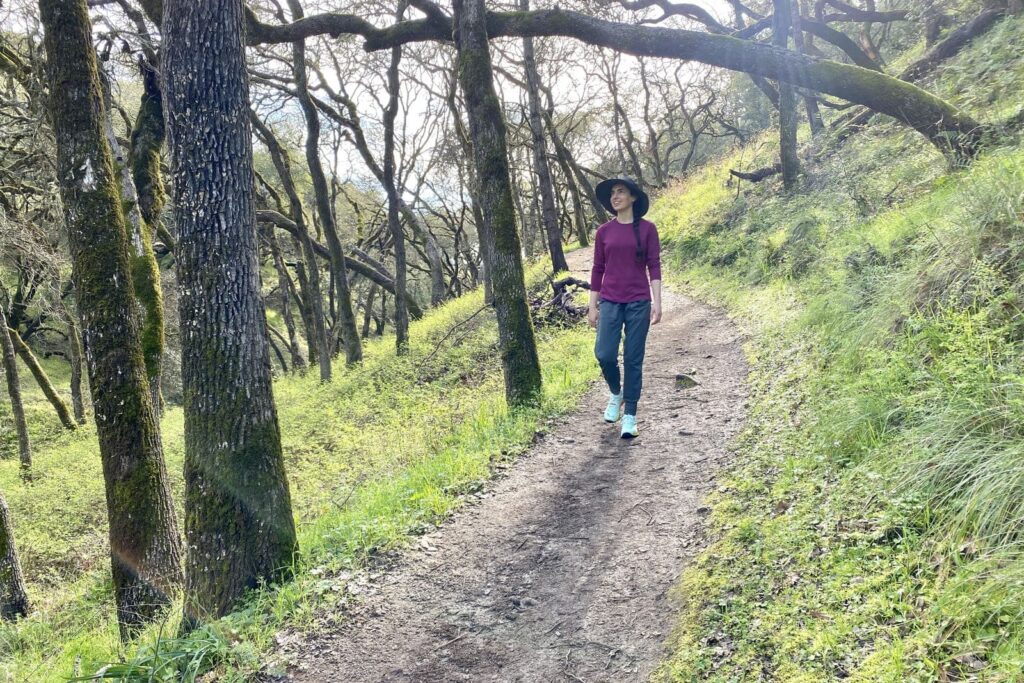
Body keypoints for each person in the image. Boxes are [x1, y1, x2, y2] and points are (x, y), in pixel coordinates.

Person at [588, 176, 662, 438]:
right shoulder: (603, 232)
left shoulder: (647, 229)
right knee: (604, 353)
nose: (615, 196)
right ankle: (616, 392)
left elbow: (654, 265)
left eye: (621, 192)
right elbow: (598, 269)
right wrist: (592, 306)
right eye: (612, 194)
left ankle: (630, 414)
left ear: (633, 197)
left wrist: (657, 302)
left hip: (639, 301)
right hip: (609, 300)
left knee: (633, 358)